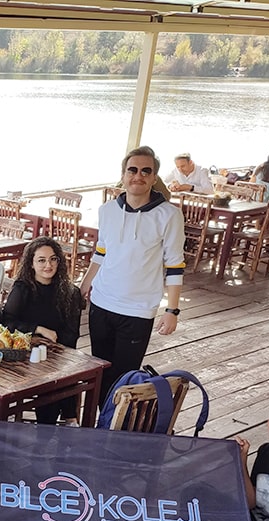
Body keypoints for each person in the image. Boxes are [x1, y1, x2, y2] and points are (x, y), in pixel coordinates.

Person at [80, 146, 185, 405]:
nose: (138, 176)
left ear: (154, 177)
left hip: (138, 310)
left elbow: (174, 265)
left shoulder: (169, 215)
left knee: (124, 379)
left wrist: (172, 311)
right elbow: (101, 252)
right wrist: (84, 286)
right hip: (101, 303)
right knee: (100, 371)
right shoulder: (107, 210)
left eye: (145, 171)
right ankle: (97, 421)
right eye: (132, 170)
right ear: (123, 175)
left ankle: (114, 424)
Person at [2, 237, 83, 425]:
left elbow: (72, 334)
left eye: (53, 259)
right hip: (27, 353)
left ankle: (62, 422)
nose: (48, 265)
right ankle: (61, 423)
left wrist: (54, 346)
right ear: (31, 263)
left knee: (59, 376)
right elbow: (7, 322)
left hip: (59, 352)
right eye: (41, 260)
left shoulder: (71, 292)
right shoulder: (23, 288)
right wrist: (38, 330)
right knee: (50, 380)